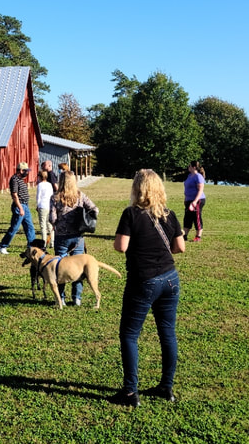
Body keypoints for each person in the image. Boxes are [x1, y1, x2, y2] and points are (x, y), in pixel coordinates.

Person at [112, 169, 186, 407]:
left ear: (138, 189)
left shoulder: (131, 214)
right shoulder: (170, 214)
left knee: (130, 335)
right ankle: (166, 386)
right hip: (170, 279)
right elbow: (180, 248)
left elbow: (121, 246)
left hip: (143, 280)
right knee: (167, 333)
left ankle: (131, 392)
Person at [47, 171, 99, 306]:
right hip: (78, 237)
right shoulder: (80, 196)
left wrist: (57, 223)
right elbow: (95, 209)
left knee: (60, 268)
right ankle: (77, 298)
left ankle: (61, 298)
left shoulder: (55, 197)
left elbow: (52, 218)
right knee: (78, 268)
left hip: (61, 237)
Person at [0, 162, 35, 254]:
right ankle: (2, 246)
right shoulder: (14, 179)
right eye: (25, 171)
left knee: (29, 227)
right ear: (21, 170)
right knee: (14, 228)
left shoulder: (21, 179)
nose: (27, 173)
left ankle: (32, 246)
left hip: (25, 205)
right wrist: (20, 208)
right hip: (20, 206)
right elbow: (14, 194)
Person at [183, 161, 206, 242]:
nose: (188, 167)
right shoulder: (189, 176)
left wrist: (195, 201)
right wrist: (186, 199)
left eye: (189, 166)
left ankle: (198, 236)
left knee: (197, 217)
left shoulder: (198, 176)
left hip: (198, 200)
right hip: (189, 200)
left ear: (194, 167)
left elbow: (200, 190)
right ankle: (184, 235)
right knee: (187, 217)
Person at [35, 169, 54, 250]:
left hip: (42, 206)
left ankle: (44, 243)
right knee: (50, 225)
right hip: (49, 205)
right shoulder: (50, 185)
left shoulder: (40, 185)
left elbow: (38, 196)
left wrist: (38, 205)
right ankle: (52, 242)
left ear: (39, 177)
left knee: (43, 226)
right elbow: (52, 195)